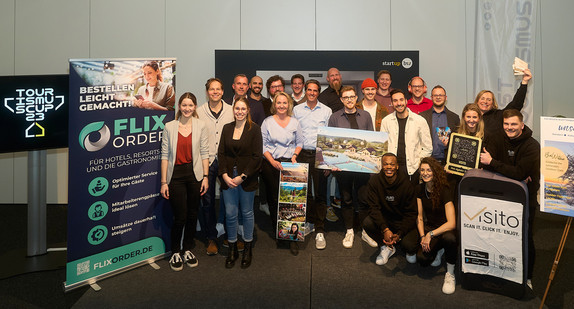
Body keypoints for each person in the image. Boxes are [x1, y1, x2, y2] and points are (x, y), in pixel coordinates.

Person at [480, 109, 540, 288]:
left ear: (522, 124)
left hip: (525, 200)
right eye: (506, 124)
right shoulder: (495, 138)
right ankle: (500, 272)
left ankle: (527, 277)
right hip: (499, 197)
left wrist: (494, 163)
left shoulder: (532, 145)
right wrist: (514, 174)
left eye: (514, 124)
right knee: (498, 236)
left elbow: (518, 172)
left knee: (525, 238)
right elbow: (488, 167)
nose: (509, 128)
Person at [160, 92, 209, 271]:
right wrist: (164, 182)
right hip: (176, 176)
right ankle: (175, 251)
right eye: (184, 105)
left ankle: (187, 248)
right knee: (180, 216)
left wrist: (205, 177)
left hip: (195, 174)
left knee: (192, 214)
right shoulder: (169, 127)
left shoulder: (201, 125)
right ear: (179, 106)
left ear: (195, 107)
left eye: (191, 105)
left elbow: (205, 152)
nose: (187, 109)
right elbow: (164, 156)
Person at [218, 97, 262, 269]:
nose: (240, 111)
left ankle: (248, 248)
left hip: (246, 178)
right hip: (228, 178)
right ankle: (233, 248)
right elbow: (221, 153)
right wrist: (224, 175)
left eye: (243, 109)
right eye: (237, 108)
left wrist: (243, 176)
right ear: (233, 109)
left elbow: (257, 157)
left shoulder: (254, 129)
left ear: (248, 110)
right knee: (230, 213)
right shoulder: (226, 128)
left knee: (247, 212)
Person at [328, 86, 374, 248]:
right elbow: (331, 144)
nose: (349, 99)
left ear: (356, 98)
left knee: (363, 199)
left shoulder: (366, 116)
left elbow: (371, 142)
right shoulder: (335, 117)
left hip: (362, 166)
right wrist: (333, 163)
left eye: (352, 97)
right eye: (345, 97)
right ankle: (349, 231)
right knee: (346, 199)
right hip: (343, 167)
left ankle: (365, 232)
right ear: (341, 100)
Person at [402, 157, 457, 294]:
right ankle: (437, 249)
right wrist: (422, 236)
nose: (425, 173)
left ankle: (450, 273)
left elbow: (452, 223)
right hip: (427, 227)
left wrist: (430, 235)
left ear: (435, 172)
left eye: (428, 170)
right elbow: (419, 216)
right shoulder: (419, 189)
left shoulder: (445, 190)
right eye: (422, 170)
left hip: (443, 229)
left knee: (449, 239)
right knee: (408, 245)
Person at [196, 77, 235, 256]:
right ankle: (211, 237)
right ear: (207, 92)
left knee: (230, 201)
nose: (215, 92)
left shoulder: (231, 110)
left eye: (218, 89)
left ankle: (229, 234)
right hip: (207, 162)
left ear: (223, 91)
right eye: (212, 89)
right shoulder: (199, 112)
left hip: (226, 161)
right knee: (208, 201)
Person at [260, 91, 303, 255]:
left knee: (292, 204)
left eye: (285, 103)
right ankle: (279, 233)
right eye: (279, 103)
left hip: (290, 165)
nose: (282, 105)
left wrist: (294, 156)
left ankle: (292, 237)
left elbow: (300, 142)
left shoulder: (295, 122)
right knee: (274, 200)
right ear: (274, 104)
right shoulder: (267, 122)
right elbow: (263, 145)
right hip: (271, 164)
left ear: (289, 105)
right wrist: (272, 162)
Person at [293, 79, 332, 250]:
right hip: (302, 154)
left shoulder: (326, 110)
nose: (311, 93)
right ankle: (309, 222)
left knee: (321, 193)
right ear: (305, 90)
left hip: (319, 154)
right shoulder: (296, 109)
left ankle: (320, 229)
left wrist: (328, 161)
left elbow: (330, 137)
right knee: (304, 192)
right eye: (309, 90)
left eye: (315, 90)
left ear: (319, 92)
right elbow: (293, 132)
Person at [362, 153, 417, 265]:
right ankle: (386, 247)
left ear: (397, 166)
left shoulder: (407, 185)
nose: (388, 167)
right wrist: (385, 229)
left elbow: (411, 214)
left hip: (401, 221)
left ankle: (400, 244)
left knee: (410, 246)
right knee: (367, 223)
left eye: (392, 164)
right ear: (382, 166)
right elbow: (373, 208)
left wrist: (400, 233)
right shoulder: (374, 181)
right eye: (385, 164)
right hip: (386, 220)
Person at [380, 89, 432, 185]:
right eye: (395, 101)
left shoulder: (420, 121)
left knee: (412, 199)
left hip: (413, 169)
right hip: (392, 170)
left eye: (401, 100)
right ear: (392, 103)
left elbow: (428, 147)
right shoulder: (386, 121)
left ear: (406, 101)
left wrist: (418, 164)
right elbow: (383, 147)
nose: (399, 103)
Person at [474, 68, 532, 137]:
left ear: (493, 103)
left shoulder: (498, 116)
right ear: (477, 101)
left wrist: (524, 82)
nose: (485, 101)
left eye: (489, 100)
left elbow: (516, 104)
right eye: (482, 98)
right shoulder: (471, 115)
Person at [419, 85, 460, 164]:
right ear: (431, 97)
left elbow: (458, 141)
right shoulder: (422, 116)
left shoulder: (454, 117)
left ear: (445, 97)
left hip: (447, 161)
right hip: (427, 160)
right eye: (435, 95)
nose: (438, 97)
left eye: (441, 95)